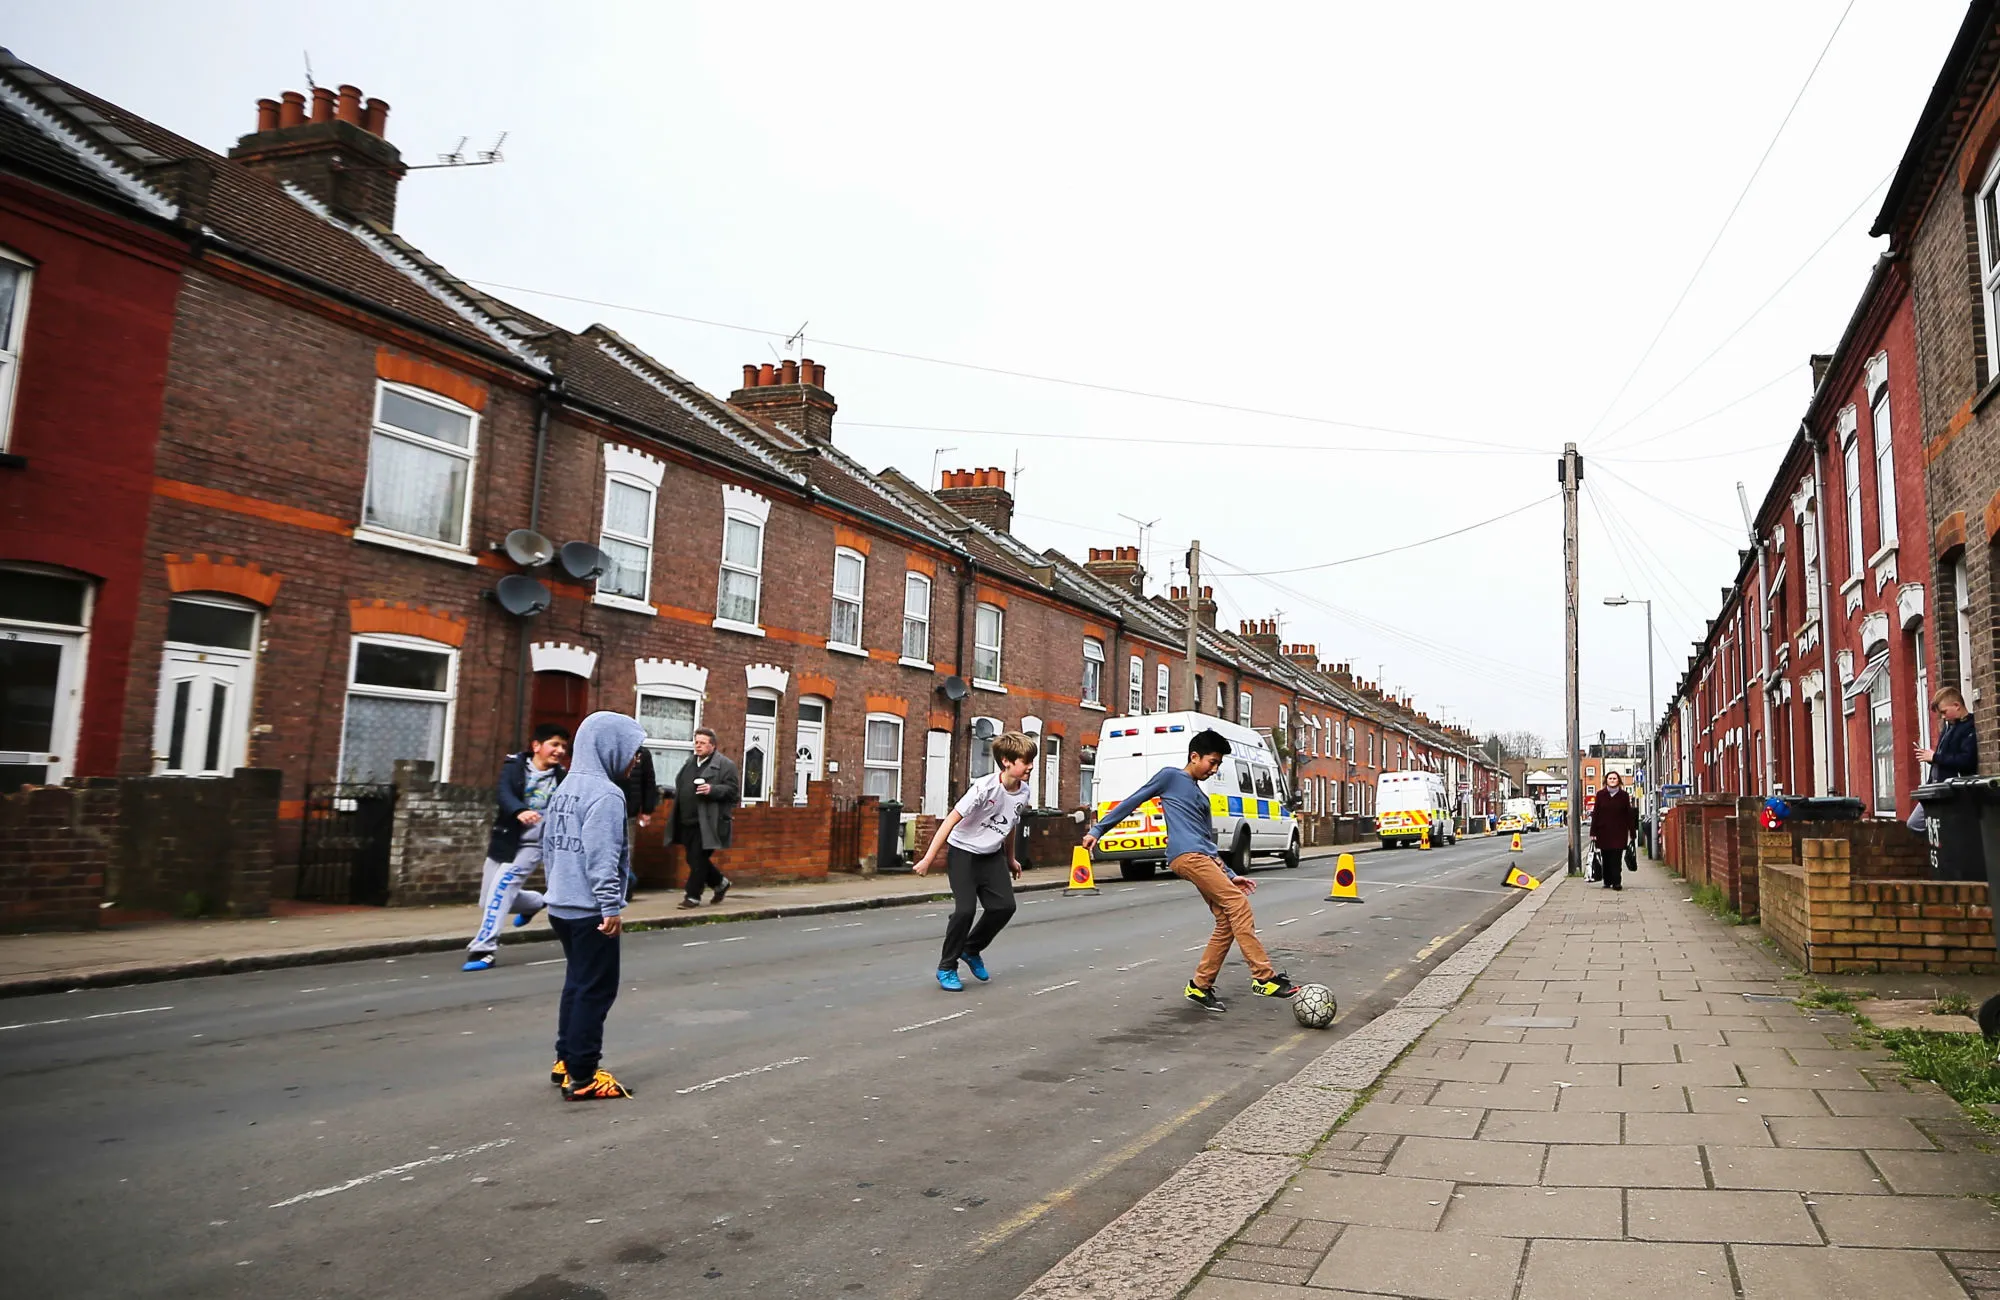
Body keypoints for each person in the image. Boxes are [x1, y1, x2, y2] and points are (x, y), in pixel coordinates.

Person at [1082, 729, 1303, 1013]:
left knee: (1226, 920)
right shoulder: (1170, 777)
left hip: (1204, 858)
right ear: (1194, 756)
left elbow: (1209, 845)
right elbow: (1133, 801)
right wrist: (1098, 829)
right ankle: (1264, 977)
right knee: (1238, 906)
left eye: (1218, 764)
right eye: (1212, 762)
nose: (1215, 769)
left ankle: (1200, 986)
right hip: (1187, 856)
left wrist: (1232, 875)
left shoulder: (1202, 799)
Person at [543, 711, 645, 1101]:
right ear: (609, 746)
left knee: (577, 983)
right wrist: (610, 907)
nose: (635, 760)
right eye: (633, 751)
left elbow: (549, 848)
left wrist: (555, 888)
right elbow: (602, 858)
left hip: (561, 906)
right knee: (597, 990)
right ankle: (583, 1076)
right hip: (590, 911)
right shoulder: (606, 795)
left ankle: (565, 1059)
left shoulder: (565, 788)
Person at [912, 730, 1037, 991]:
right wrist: (927, 859)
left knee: (1004, 907)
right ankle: (947, 967)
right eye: (1025, 761)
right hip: (963, 854)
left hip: (991, 856)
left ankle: (970, 949)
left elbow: (1010, 823)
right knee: (965, 910)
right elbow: (950, 821)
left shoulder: (1023, 792)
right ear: (1006, 761)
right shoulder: (983, 788)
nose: (1031, 766)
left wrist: (1011, 859)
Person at [463, 724, 569, 972]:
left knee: (501, 889)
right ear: (536, 746)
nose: (559, 750)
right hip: (506, 839)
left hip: (534, 844)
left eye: (563, 746)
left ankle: (484, 949)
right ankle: (536, 902)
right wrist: (520, 810)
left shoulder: (562, 778)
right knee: (488, 900)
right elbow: (504, 793)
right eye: (554, 744)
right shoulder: (514, 767)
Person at [674, 728, 740, 908]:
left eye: (702, 743)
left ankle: (692, 896)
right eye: (696, 742)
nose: (698, 745)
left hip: (709, 822)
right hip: (687, 819)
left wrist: (713, 790)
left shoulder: (726, 765)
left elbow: (734, 793)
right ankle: (720, 883)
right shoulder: (690, 763)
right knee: (693, 858)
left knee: (698, 858)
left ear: (713, 746)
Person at [1910, 687, 1978, 834]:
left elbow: (1966, 760)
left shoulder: (1969, 727)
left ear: (1957, 706)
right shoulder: (1948, 728)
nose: (1943, 717)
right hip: (1935, 788)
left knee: (1940, 829)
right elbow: (1944, 757)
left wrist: (1935, 757)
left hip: (1950, 792)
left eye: (1944, 712)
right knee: (1915, 823)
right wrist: (1931, 758)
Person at [1591, 770, 1637, 892]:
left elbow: (1628, 815)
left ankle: (1617, 882)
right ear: (1606, 781)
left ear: (1618, 781)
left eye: (1614, 778)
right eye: (1610, 778)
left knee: (1616, 858)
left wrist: (1632, 832)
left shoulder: (1624, 796)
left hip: (1619, 832)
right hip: (1603, 831)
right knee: (1606, 857)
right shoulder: (1600, 795)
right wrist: (1593, 832)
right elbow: (1596, 813)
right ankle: (1607, 880)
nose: (1612, 780)